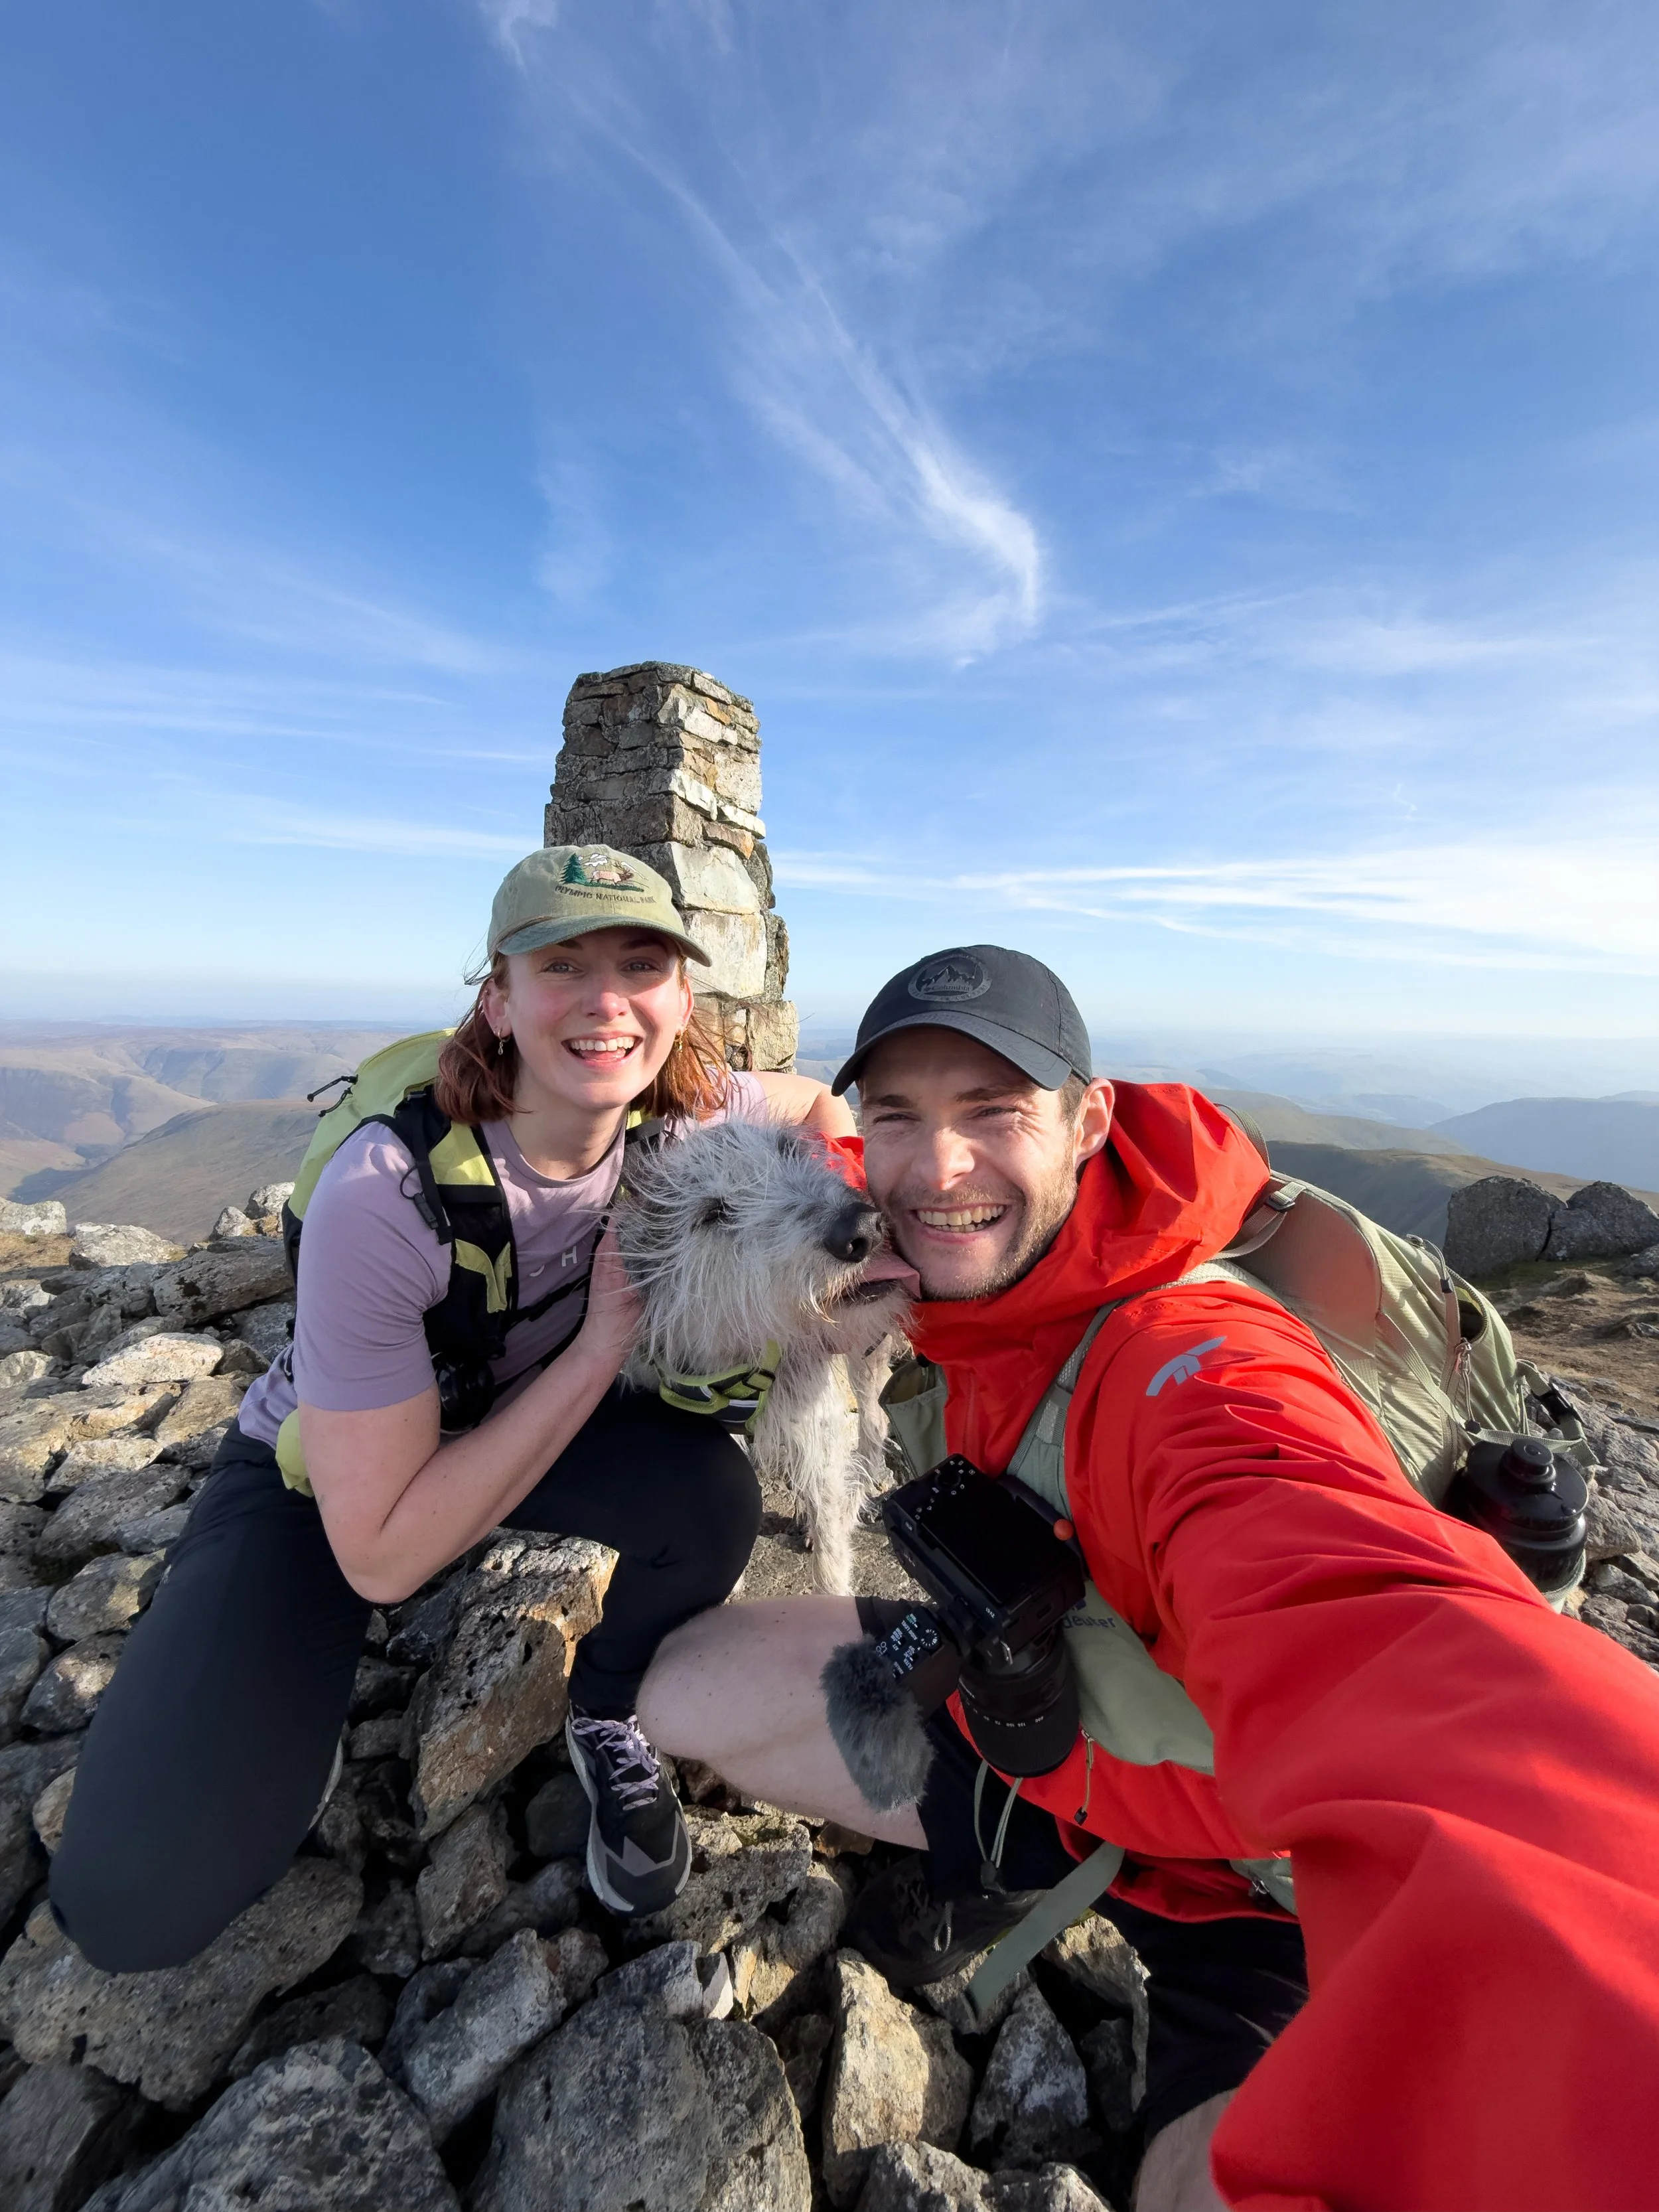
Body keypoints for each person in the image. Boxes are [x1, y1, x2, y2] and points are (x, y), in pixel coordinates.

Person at [638, 944, 1659, 2212]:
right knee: (679, 1687)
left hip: (1275, 1889)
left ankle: (1049, 1863)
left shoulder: (1201, 1374)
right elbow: (799, 1169)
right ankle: (1022, 1851)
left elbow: (1386, 1640)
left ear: (1091, 1120)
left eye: (995, 1114)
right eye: (899, 1117)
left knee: (1221, 2182)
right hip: (1072, 1743)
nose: (939, 1169)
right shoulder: (960, 1255)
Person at [50, 845, 852, 1968]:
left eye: (642, 963)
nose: (608, 1000)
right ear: (499, 999)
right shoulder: (387, 1192)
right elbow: (380, 1555)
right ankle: (286, 1704)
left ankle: (605, 1711)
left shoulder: (692, 1112)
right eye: (563, 964)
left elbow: (816, 1105)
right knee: (130, 1911)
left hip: (522, 1425)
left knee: (708, 1498)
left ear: (680, 997)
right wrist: (603, 1343)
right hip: (338, 1475)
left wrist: (842, 1217)